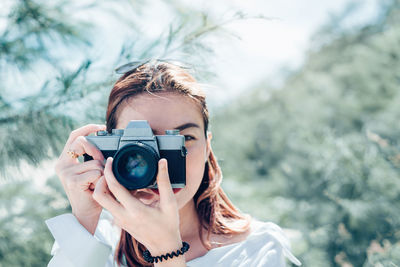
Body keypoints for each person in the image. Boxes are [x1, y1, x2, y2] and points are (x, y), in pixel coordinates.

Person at [46, 60, 301, 267]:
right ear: (108, 149)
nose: (160, 166)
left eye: (184, 139)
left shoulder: (255, 249)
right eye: (141, 146)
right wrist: (83, 222)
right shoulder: (96, 242)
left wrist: (166, 253)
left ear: (207, 147)